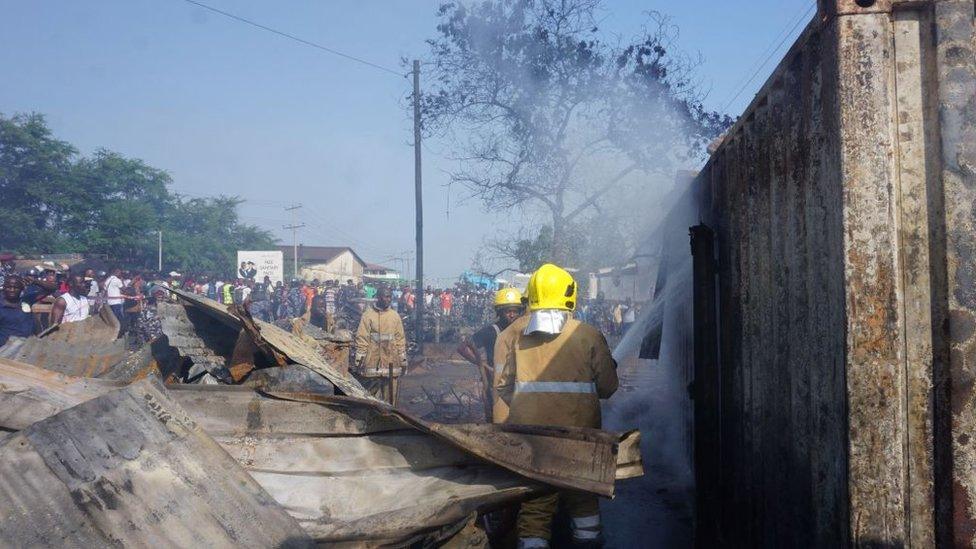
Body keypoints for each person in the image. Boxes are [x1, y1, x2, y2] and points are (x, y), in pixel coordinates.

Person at [494, 264, 618, 547]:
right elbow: (608, 388)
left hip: (533, 439)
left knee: (536, 502)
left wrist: (529, 406)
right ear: (569, 294)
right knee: (583, 498)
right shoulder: (589, 335)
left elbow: (503, 386)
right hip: (581, 437)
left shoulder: (519, 339)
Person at [457, 287, 524, 423]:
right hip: (495, 386)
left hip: (517, 385)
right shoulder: (491, 331)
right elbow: (463, 347)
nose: (512, 315)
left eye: (515, 311)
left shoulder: (522, 330)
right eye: (508, 311)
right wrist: (484, 366)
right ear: (500, 312)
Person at [353, 286, 407, 405]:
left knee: (390, 398)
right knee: (371, 398)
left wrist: (403, 360)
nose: (387, 299)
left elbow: (400, 339)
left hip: (391, 362)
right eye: (385, 296)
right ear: (378, 297)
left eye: (389, 297)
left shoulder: (394, 316)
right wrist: (359, 360)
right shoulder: (368, 316)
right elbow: (362, 338)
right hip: (372, 363)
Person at [0, 276, 34, 347]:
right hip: (6, 351)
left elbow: (51, 289)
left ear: (22, 289)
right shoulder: (1, 305)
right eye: (9, 287)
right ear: (4, 288)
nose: (12, 290)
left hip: (27, 348)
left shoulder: (26, 300)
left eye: (16, 288)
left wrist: (35, 281)